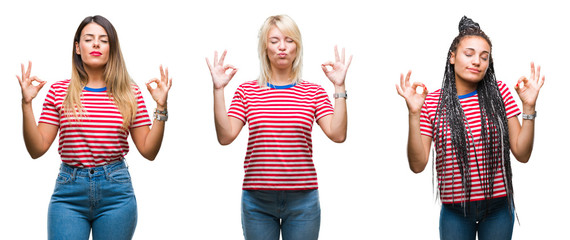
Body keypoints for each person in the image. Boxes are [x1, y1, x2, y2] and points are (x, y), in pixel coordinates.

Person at [17, 15, 172, 240]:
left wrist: (161, 106)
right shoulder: (59, 92)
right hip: (68, 195)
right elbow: (36, 149)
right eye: (89, 39)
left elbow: (149, 151)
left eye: (104, 40)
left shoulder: (130, 93)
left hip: (116, 195)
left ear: (112, 48)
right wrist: (26, 104)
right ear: (78, 48)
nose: (97, 44)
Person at [395, 16, 544, 240]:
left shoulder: (500, 93)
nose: (477, 61)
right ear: (452, 57)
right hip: (454, 212)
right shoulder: (432, 102)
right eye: (469, 54)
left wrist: (529, 107)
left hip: (498, 209)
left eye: (484, 57)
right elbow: (417, 165)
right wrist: (414, 114)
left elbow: (522, 154)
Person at [206, 14, 351, 240]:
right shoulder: (247, 91)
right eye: (274, 41)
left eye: (289, 40)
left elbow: (338, 133)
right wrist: (218, 90)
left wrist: (339, 86)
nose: (282, 47)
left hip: (303, 200)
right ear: (265, 47)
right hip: (257, 200)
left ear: (297, 47)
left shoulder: (313, 92)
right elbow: (225, 137)